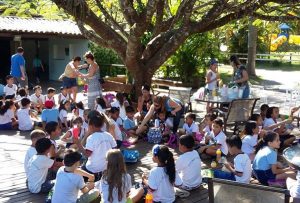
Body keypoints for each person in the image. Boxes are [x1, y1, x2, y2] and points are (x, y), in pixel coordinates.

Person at [75, 112, 117, 182]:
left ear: (91, 126)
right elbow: (115, 149)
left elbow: (87, 154)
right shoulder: (108, 135)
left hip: (93, 170)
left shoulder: (91, 138)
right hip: (107, 168)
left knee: (76, 170)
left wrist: (79, 144)